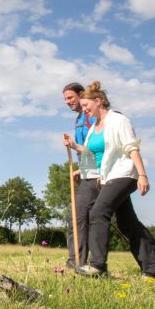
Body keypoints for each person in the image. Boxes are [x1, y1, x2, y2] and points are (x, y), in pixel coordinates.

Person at [65, 81, 155, 279]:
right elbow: (91, 154)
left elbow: (131, 147)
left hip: (125, 174)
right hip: (107, 177)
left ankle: (98, 266)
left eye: (86, 106)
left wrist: (142, 175)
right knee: (127, 223)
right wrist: (75, 149)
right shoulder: (94, 128)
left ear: (98, 101)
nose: (84, 110)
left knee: (99, 212)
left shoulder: (118, 120)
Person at [61, 82, 97, 268]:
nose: (67, 102)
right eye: (65, 99)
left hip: (96, 174)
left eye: (70, 98)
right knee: (126, 222)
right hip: (89, 172)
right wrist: (80, 169)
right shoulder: (79, 119)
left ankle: (76, 262)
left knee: (77, 216)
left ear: (81, 95)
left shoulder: (91, 116)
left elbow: (96, 147)